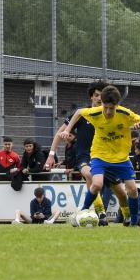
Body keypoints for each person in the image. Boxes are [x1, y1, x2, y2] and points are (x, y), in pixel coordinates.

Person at [60, 85, 140, 227]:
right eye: (105, 107)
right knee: (96, 184)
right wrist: (67, 130)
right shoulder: (95, 112)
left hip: (121, 159)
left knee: (131, 190)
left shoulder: (125, 113)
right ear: (101, 103)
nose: (108, 112)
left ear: (117, 105)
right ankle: (83, 213)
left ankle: (133, 221)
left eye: (111, 108)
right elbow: (78, 113)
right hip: (99, 156)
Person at [45, 80, 114, 225]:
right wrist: (51, 154)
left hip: (104, 156)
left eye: (102, 95)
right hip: (84, 156)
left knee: (112, 186)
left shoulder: (109, 115)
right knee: (90, 174)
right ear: (91, 97)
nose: (99, 98)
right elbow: (60, 133)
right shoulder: (82, 114)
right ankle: (101, 212)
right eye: (96, 95)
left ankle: (84, 211)